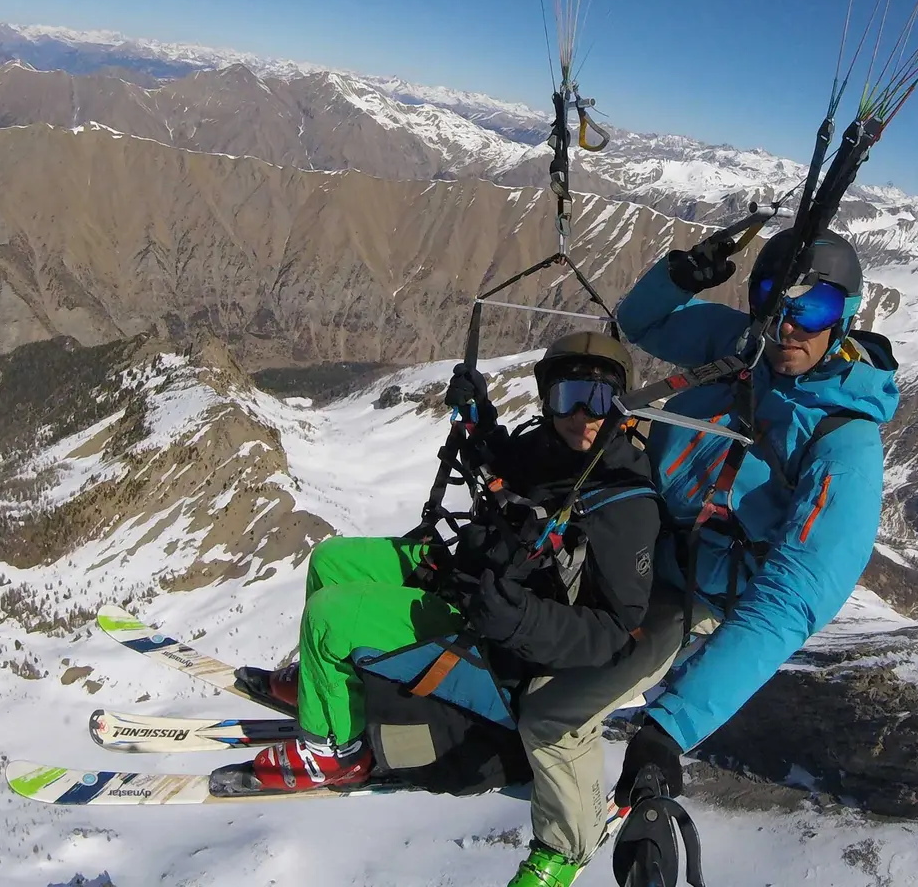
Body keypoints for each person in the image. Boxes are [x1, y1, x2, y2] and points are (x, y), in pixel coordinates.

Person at [222, 331, 663, 887]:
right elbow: (505, 459)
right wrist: (480, 419)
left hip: (500, 646)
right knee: (333, 561)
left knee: (333, 617)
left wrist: (522, 622)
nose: (582, 414)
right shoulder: (554, 450)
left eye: (599, 399)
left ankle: (337, 749)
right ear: (548, 398)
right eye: (567, 396)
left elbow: (619, 632)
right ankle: (330, 690)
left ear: (622, 403)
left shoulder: (623, 500)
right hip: (471, 586)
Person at [608, 226, 900, 807]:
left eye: (815, 308)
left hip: (691, 592)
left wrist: (670, 729)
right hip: (629, 527)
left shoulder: (846, 446)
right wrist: (678, 279)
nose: (790, 325)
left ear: (844, 315)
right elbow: (642, 324)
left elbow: (795, 596)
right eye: (775, 301)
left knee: (561, 698)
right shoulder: (744, 345)